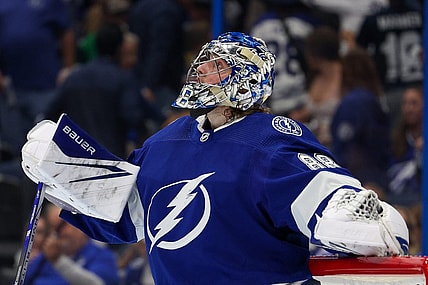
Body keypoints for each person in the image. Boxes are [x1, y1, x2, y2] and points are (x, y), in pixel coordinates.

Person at [21, 32, 409, 285]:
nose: (202, 70)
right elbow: (125, 216)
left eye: (217, 65)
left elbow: (325, 196)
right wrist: (71, 173)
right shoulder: (164, 141)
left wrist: (353, 216)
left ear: (247, 77)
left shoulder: (270, 140)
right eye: (202, 62)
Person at [46, 21, 164, 159]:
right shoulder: (123, 79)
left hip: (75, 157)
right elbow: (133, 116)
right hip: (110, 158)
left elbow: (50, 114)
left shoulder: (74, 77)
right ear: (120, 48)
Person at [330, 47, 390, 195]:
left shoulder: (355, 101)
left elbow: (349, 148)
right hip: (378, 173)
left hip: (361, 179)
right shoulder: (372, 97)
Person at [24, 203, 120, 285]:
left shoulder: (102, 257)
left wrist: (58, 261)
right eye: (51, 227)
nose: (54, 234)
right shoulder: (44, 257)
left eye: (60, 227)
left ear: (78, 224)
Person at [387, 85, 423, 207]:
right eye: (405, 104)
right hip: (396, 200)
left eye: (414, 103)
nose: (409, 108)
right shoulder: (395, 140)